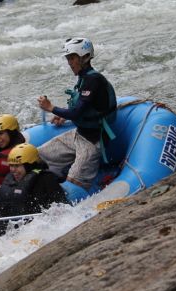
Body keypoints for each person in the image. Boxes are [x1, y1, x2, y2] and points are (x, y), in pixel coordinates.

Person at [37, 37, 117, 189]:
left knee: (73, 187)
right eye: (68, 58)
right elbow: (82, 108)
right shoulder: (83, 79)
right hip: (78, 135)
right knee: (37, 156)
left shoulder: (94, 81)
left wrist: (51, 108)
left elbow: (76, 112)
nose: (69, 63)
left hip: (92, 142)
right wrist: (62, 115)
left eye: (72, 58)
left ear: (85, 57)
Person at [0, 143, 68, 248]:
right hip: (15, 224)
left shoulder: (46, 179)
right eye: (11, 166)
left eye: (17, 166)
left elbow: (62, 208)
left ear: (29, 165)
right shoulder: (13, 180)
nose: (13, 170)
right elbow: (2, 209)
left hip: (33, 227)